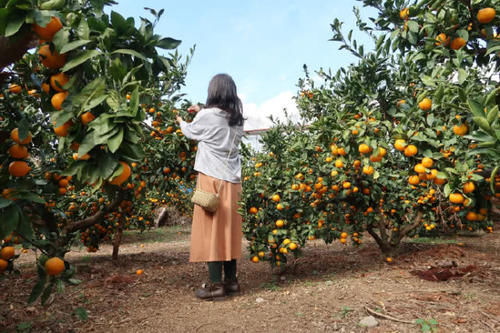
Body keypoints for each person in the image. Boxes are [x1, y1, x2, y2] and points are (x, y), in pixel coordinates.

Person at [176, 73, 245, 300]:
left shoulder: (207, 116)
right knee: (228, 230)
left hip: (211, 180)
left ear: (213, 92)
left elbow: (190, 132)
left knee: (211, 231)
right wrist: (201, 111)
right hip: (233, 182)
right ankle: (231, 281)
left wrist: (180, 121)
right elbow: (217, 124)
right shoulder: (237, 119)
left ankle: (215, 286)